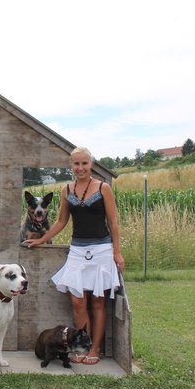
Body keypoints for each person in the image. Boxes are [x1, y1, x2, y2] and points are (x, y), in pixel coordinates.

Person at [23, 147, 125, 365]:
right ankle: (82, 347)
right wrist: (40, 239)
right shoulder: (66, 190)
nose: (80, 168)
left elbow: (113, 223)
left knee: (98, 302)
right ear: (71, 166)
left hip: (101, 251)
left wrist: (116, 252)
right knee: (78, 302)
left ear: (91, 164)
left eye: (84, 164)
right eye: (76, 164)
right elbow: (61, 222)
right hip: (78, 251)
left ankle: (95, 349)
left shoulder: (103, 188)